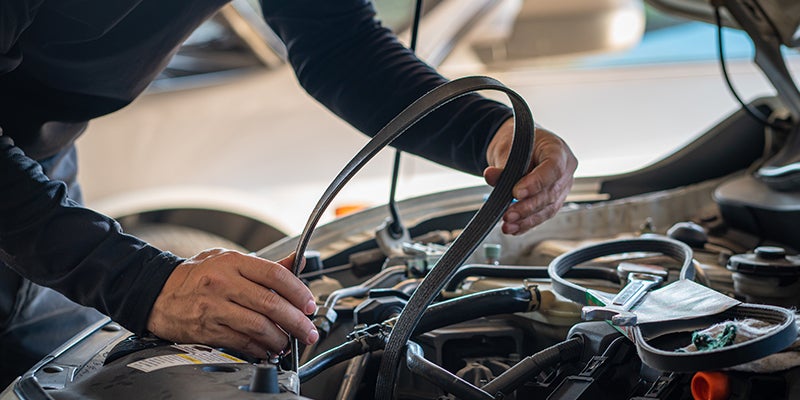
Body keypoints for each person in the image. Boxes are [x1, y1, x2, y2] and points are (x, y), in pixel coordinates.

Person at [0, 0, 578, 386]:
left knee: (45, 372)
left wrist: (489, 132)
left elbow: (336, 40)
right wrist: (144, 283)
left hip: (38, 172)